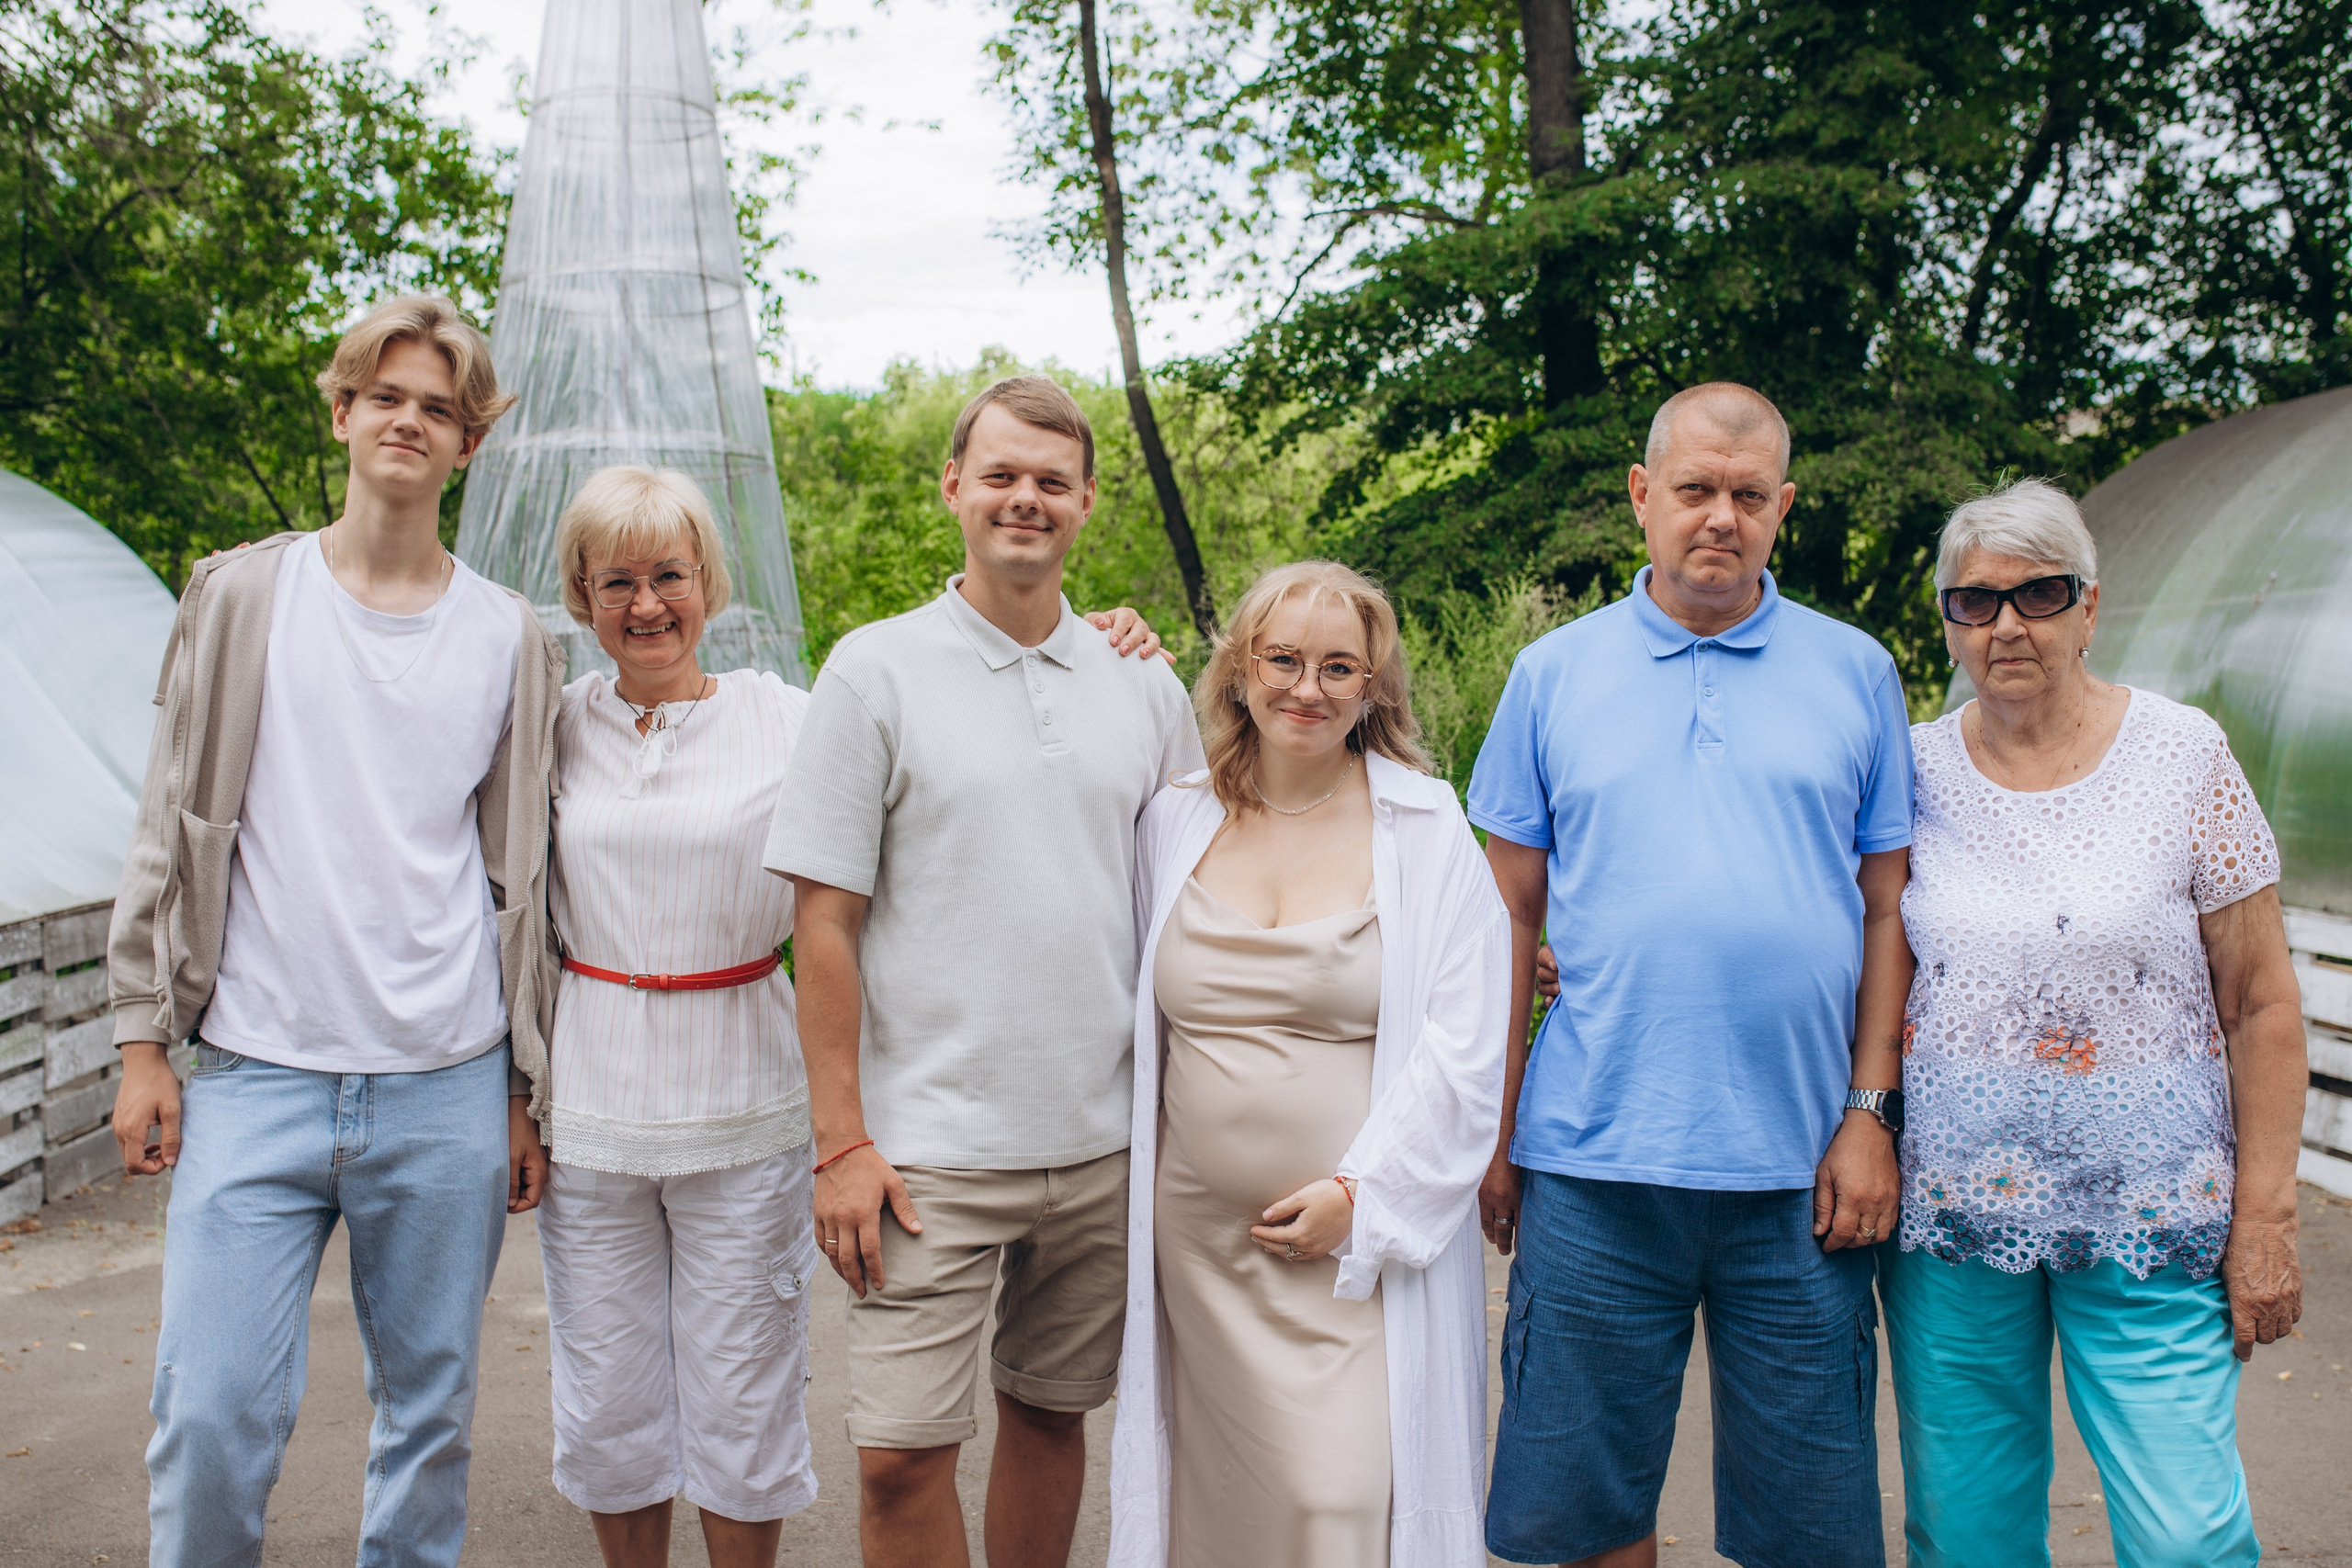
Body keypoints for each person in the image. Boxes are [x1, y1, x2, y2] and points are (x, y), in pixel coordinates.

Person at [104, 295, 560, 1568]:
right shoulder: (241, 595)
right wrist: (144, 1040)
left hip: (444, 1080)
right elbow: (168, 822)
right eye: (389, 396)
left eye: (440, 407)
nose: (410, 420)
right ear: (346, 411)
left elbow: (521, 873)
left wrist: (522, 1085)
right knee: (209, 1415)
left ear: (467, 445)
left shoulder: (510, 635)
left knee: (430, 1420)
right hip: (256, 1071)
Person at [1473, 382, 1916, 1568]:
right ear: (1641, 497)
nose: (1720, 516)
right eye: (1695, 490)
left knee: (1811, 1527)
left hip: (1800, 1173)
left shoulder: (1859, 670)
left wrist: (1871, 1113)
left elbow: (1889, 908)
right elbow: (1506, 911)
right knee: (1584, 1514)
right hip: (1593, 1161)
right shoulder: (1551, 675)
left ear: (1783, 508)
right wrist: (1498, 1129)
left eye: (1748, 494)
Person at [764, 374, 1203, 1568]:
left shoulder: (1145, 684)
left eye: (1052, 480)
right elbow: (825, 922)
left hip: (1103, 1140)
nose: (1026, 497)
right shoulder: (876, 670)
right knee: (900, 1454)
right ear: (954, 486)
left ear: (1087, 503)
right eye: (1002, 474)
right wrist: (841, 1141)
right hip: (921, 1154)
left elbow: (1191, 905)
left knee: (1050, 1410)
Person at [1879, 479, 2306, 1568]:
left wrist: (2266, 1219)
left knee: (2187, 1539)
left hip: (2153, 1215)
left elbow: (2259, 1000)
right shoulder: (1912, 770)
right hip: (1953, 1217)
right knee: (1967, 1533)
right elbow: (1848, 949)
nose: (2006, 626)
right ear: (1947, 620)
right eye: (1973, 602)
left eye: (2039, 595)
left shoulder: (2182, 755)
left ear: (2089, 608)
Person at [1107, 561, 1510, 1568]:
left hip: (1354, 1252)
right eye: (1282, 658)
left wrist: (1358, 1194)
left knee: (1341, 1505)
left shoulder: (1424, 829)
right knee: (1215, 1516)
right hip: (1197, 1249)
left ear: (1373, 691)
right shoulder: (1172, 821)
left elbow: (1467, 1046)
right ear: (1239, 669)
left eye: (1340, 667)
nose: (1307, 687)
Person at [533, 465, 819, 1568]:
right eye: (617, 582)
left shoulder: (788, 720)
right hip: (594, 1094)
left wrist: (1098, 635)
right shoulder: (549, 727)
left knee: (743, 1380)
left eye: (668, 576)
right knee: (609, 1384)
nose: (646, 604)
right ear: (581, 595)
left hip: (746, 1085)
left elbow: (925, 784)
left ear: (708, 583)